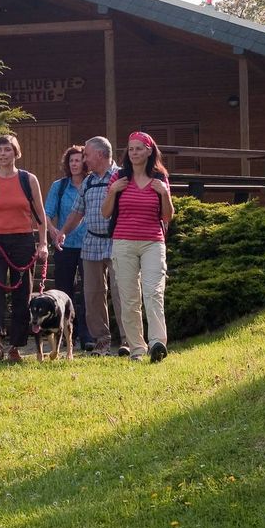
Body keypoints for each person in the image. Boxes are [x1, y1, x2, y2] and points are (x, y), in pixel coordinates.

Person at [0, 134, 49, 362]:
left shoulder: (28, 179)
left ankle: (15, 346)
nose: (3, 154)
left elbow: (41, 215)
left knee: (22, 294)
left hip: (23, 241)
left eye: (7, 150)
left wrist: (43, 243)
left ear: (16, 153)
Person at [101, 131, 174, 362]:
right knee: (129, 298)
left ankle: (157, 344)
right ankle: (137, 349)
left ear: (149, 151)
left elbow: (167, 216)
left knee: (153, 293)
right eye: (131, 149)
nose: (134, 153)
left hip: (153, 242)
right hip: (123, 243)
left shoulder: (160, 179)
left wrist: (165, 195)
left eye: (139, 148)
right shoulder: (118, 178)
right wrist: (113, 191)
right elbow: (105, 213)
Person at [52, 136, 127, 356]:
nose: (84, 159)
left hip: (117, 241)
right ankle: (101, 341)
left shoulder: (122, 176)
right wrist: (63, 232)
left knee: (122, 292)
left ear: (100, 154)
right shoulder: (89, 180)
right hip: (91, 242)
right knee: (93, 294)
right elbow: (77, 211)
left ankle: (127, 340)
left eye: (87, 155)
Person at [43, 145, 91, 350]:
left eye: (78, 160)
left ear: (85, 162)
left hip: (90, 245)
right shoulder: (59, 186)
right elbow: (46, 213)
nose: (74, 164)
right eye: (71, 160)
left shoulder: (92, 184)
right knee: (63, 291)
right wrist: (52, 230)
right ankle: (63, 333)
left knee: (89, 291)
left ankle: (87, 335)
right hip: (65, 246)